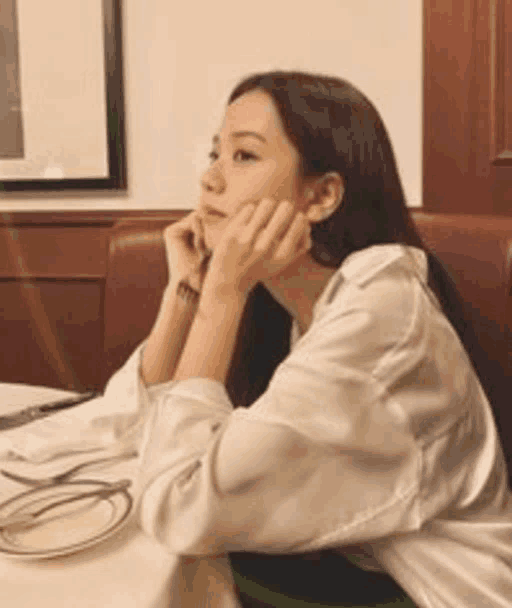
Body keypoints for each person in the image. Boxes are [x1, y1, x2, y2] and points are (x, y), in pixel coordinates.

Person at [119, 71, 512, 607]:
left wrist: (221, 293)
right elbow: (136, 433)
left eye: (244, 156)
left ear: (322, 195)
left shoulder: (380, 318)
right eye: (215, 153)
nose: (210, 178)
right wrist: (185, 293)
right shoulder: (300, 300)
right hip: (358, 575)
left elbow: (176, 506)